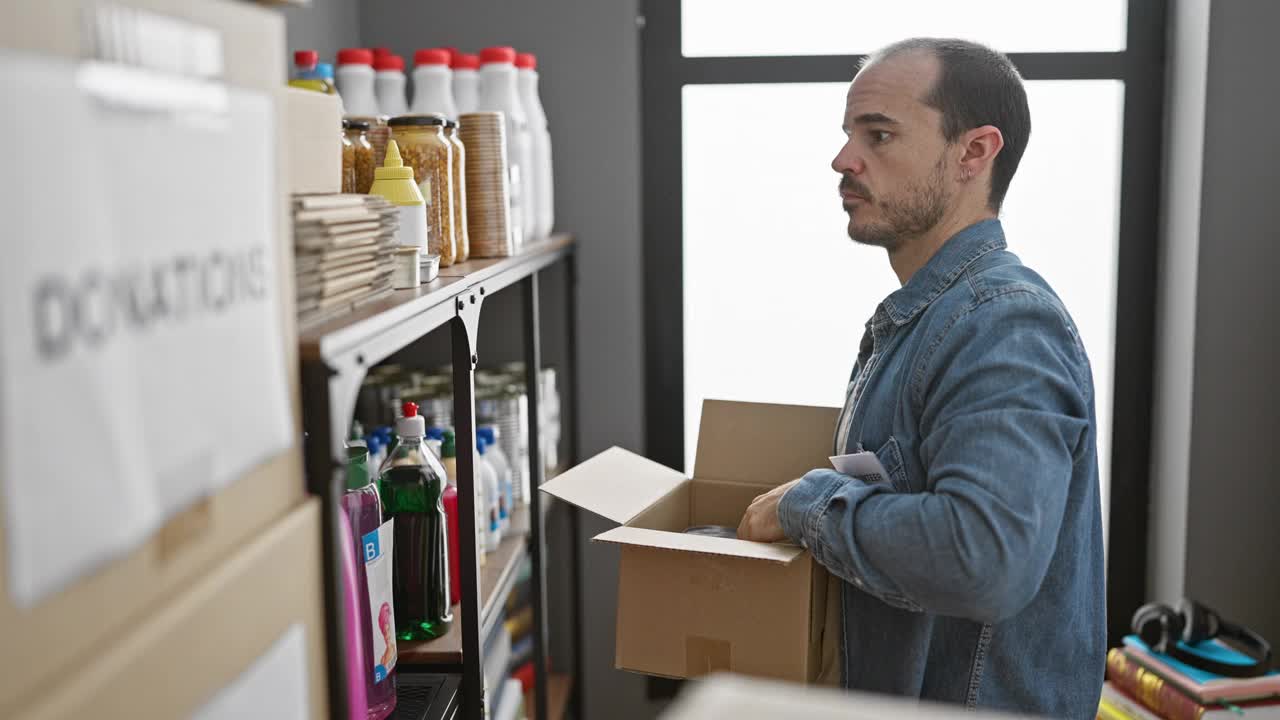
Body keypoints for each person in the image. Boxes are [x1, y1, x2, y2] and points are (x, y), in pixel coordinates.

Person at [737, 38, 1105, 718]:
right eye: (849, 135)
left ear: (974, 153)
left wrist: (808, 504)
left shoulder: (1004, 325)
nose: (843, 160)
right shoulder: (922, 322)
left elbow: (984, 559)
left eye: (878, 135)